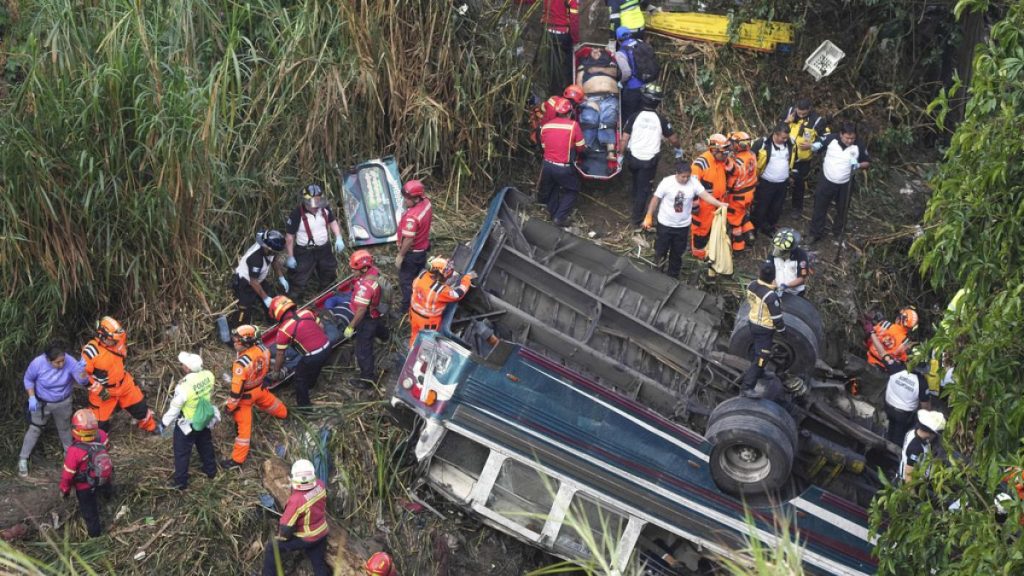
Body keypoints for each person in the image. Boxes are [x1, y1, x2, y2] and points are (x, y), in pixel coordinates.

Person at [642, 162, 725, 278]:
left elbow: (705, 195)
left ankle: (673, 275)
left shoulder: (693, 183)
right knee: (661, 250)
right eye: (683, 177)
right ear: (677, 174)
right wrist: (649, 215)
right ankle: (657, 272)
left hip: (682, 226)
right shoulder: (667, 182)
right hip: (665, 224)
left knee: (677, 253)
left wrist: (719, 204)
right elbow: (655, 199)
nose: (686, 179)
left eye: (688, 176)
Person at [81, 316, 161, 435]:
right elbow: (82, 376)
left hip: (124, 384)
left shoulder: (119, 339)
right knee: (99, 425)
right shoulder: (91, 352)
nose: (116, 341)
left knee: (140, 409)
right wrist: (99, 389)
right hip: (103, 391)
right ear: (101, 336)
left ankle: (151, 427)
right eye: (112, 339)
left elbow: (119, 333)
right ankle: (100, 445)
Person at [18, 342, 88, 477]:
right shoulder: (38, 363)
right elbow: (28, 379)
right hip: (42, 403)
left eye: (63, 361)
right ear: (48, 359)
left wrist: (82, 372)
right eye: (57, 362)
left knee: (65, 429)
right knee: (35, 429)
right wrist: (31, 397)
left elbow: (83, 382)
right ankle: (23, 459)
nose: (61, 365)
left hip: (63, 402)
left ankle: (70, 459)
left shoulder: (69, 361)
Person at [223, 325, 288, 469]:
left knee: (244, 431)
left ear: (246, 342)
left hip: (245, 398)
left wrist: (229, 407)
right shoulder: (264, 350)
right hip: (260, 388)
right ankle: (285, 414)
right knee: (274, 405)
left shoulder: (241, 364)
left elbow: (236, 392)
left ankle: (237, 461)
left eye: (236, 341)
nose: (234, 343)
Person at [618, 83, 683, 227]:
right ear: (657, 102)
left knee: (636, 180)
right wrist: (678, 150)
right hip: (648, 162)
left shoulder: (634, 117)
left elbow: (624, 139)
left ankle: (634, 201)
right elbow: (674, 139)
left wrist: (620, 156)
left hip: (632, 159)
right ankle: (636, 220)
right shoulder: (661, 120)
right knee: (644, 190)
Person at [261, 459, 330, 576]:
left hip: (307, 538)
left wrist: (282, 537)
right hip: (322, 532)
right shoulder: (320, 485)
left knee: (272, 547)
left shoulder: (296, 500)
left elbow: (285, 528)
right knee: (319, 564)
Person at [161, 352, 219, 489]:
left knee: (181, 452)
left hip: (187, 423)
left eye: (183, 365)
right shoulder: (209, 376)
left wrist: (163, 423)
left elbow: (175, 408)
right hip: (204, 418)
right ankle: (211, 471)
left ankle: (180, 482)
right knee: (205, 444)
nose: (181, 366)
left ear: (187, 368)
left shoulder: (183, 387)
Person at [808, 123, 870, 243]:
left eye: (852, 138)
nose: (850, 141)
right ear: (841, 134)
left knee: (843, 209)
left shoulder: (859, 145)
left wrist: (858, 165)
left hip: (845, 183)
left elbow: (867, 162)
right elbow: (818, 146)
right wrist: (813, 146)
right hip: (827, 179)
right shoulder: (831, 138)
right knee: (820, 206)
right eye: (847, 138)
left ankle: (838, 231)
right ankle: (815, 233)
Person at [284, 184, 346, 299]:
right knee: (299, 277)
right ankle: (295, 301)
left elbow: (332, 222)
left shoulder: (324, 208)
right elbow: (290, 237)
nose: (315, 207)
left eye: (318, 202)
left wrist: (338, 237)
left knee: (329, 271)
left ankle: (326, 295)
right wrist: (291, 256)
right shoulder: (296, 214)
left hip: (324, 249)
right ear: (305, 201)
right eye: (313, 204)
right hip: (305, 252)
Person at [268, 295, 331, 407]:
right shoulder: (306, 312)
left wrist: (276, 371)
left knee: (299, 377)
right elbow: (321, 326)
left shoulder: (284, 330)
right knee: (315, 366)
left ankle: (304, 407)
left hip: (313, 355)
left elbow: (280, 354)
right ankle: (311, 385)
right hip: (327, 346)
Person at [59, 409, 112, 538]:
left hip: (84, 487)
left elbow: (68, 475)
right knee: (106, 490)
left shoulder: (74, 451)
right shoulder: (102, 435)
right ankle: (108, 499)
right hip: (103, 476)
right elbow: (106, 448)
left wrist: (64, 490)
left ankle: (95, 536)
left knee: (90, 513)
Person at [343, 250, 390, 389]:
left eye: (354, 270)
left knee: (363, 350)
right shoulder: (374, 272)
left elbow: (361, 311)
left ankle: (367, 379)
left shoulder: (365, 287)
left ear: (364, 268)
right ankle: (386, 335)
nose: (352, 272)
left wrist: (351, 326)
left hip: (367, 318)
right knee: (378, 326)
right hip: (375, 312)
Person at [537, 96, 586, 228]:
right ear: (570, 112)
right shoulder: (573, 126)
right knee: (573, 189)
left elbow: (543, 147)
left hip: (547, 165)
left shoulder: (545, 126)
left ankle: (553, 214)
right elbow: (581, 147)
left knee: (552, 188)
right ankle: (559, 217)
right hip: (562, 167)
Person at [739, 261, 785, 396]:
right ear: (773, 277)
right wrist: (783, 332)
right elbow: (777, 318)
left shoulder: (752, 285)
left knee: (756, 350)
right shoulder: (771, 296)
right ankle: (747, 387)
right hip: (764, 328)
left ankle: (761, 372)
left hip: (752, 323)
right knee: (762, 357)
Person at [409, 257, 477, 347]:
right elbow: (458, 294)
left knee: (414, 335)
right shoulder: (440, 291)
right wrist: (466, 279)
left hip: (413, 314)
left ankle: (411, 349)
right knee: (426, 343)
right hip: (428, 322)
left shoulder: (422, 276)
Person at [689, 134, 734, 260]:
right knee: (701, 231)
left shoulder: (722, 160)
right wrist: (695, 205)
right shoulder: (700, 164)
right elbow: (692, 185)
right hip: (704, 205)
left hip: (719, 202)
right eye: (723, 153)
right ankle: (698, 256)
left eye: (726, 153)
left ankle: (711, 251)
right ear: (713, 149)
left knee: (715, 229)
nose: (725, 156)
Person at [232, 229, 288, 326]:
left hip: (258, 279)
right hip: (245, 282)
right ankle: (239, 330)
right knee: (244, 309)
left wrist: (281, 277)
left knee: (272, 298)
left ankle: (273, 322)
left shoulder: (270, 251)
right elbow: (253, 282)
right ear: (267, 248)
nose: (275, 254)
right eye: (274, 252)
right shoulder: (256, 258)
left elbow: (274, 261)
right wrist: (265, 298)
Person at [781, 98, 828, 214]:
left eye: (804, 113)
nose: (801, 115)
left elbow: (825, 138)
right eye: (799, 113)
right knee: (781, 180)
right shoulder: (790, 112)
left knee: (799, 184)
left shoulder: (817, 120)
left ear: (809, 110)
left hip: (802, 159)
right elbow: (778, 128)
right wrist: (787, 121)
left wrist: (812, 146)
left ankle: (797, 209)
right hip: (785, 154)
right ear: (796, 107)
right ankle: (779, 204)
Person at [395, 180, 433, 315]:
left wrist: (401, 255)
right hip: (423, 248)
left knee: (406, 281)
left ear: (417, 198)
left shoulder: (412, 217)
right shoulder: (427, 203)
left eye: (407, 199)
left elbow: (409, 240)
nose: (405, 201)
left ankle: (407, 308)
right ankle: (421, 298)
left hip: (412, 254)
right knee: (419, 277)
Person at [749, 124, 794, 237]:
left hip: (782, 183)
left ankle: (768, 227)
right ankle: (753, 228)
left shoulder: (789, 144)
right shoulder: (763, 144)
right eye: (782, 138)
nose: (785, 140)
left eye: (786, 138)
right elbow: (750, 159)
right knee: (761, 207)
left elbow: (792, 159)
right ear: (775, 134)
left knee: (776, 207)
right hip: (766, 182)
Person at [884, 362, 930, 445]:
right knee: (899, 437)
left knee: (891, 427)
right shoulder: (922, 383)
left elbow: (883, 354)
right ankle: (893, 452)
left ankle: (887, 440)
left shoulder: (896, 368)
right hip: (904, 416)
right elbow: (925, 407)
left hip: (889, 408)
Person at [725, 131, 758, 251]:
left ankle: (738, 247)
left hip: (738, 195)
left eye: (733, 143)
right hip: (750, 192)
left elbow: (730, 172)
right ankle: (750, 234)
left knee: (735, 222)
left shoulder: (736, 162)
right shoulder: (752, 155)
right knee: (743, 214)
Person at [543, 0, 579, 95]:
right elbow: (574, 19)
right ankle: (568, 91)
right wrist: (575, 38)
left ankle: (553, 94)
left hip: (548, 33)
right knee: (568, 64)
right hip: (563, 34)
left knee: (551, 65)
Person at [901, 409, 946, 483]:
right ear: (930, 433)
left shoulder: (914, 431)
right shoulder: (916, 448)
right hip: (914, 483)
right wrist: (912, 493)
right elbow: (908, 475)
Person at [614, 27, 648, 122]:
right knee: (642, 114)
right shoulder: (641, 43)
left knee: (629, 116)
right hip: (646, 85)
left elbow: (626, 72)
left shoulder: (621, 53)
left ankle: (628, 135)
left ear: (618, 40)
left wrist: (621, 82)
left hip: (633, 88)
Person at [770, 228, 811, 296]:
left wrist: (786, 286)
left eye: (780, 251)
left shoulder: (801, 255)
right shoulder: (773, 253)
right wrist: (773, 283)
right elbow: (769, 271)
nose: (776, 252)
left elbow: (801, 278)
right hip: (777, 290)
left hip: (795, 293)